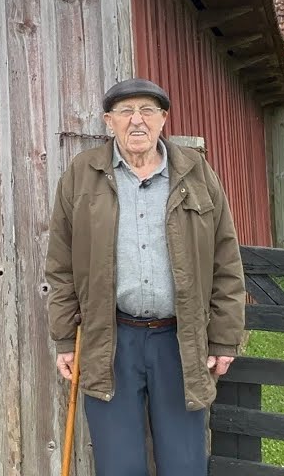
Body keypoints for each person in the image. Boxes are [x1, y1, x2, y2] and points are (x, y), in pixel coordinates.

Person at [45, 77, 247, 476]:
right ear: (109, 121)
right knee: (118, 465)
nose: (137, 120)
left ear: (163, 118)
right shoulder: (82, 173)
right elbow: (61, 264)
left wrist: (224, 337)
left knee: (184, 463)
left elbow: (226, 260)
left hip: (180, 341)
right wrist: (66, 337)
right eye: (125, 111)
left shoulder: (195, 172)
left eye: (147, 110)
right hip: (110, 341)